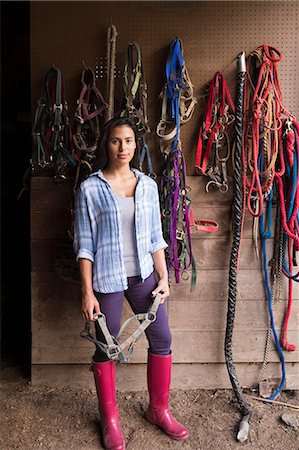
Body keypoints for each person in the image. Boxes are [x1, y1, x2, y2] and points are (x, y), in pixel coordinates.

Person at [73, 117, 189, 450]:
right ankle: (109, 422)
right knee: (105, 346)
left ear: (136, 144)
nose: (122, 147)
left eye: (128, 141)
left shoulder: (149, 186)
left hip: (143, 275)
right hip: (107, 278)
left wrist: (164, 277)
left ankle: (159, 409)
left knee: (162, 336)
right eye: (115, 141)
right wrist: (87, 291)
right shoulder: (90, 188)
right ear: (106, 145)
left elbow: (156, 237)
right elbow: (83, 244)